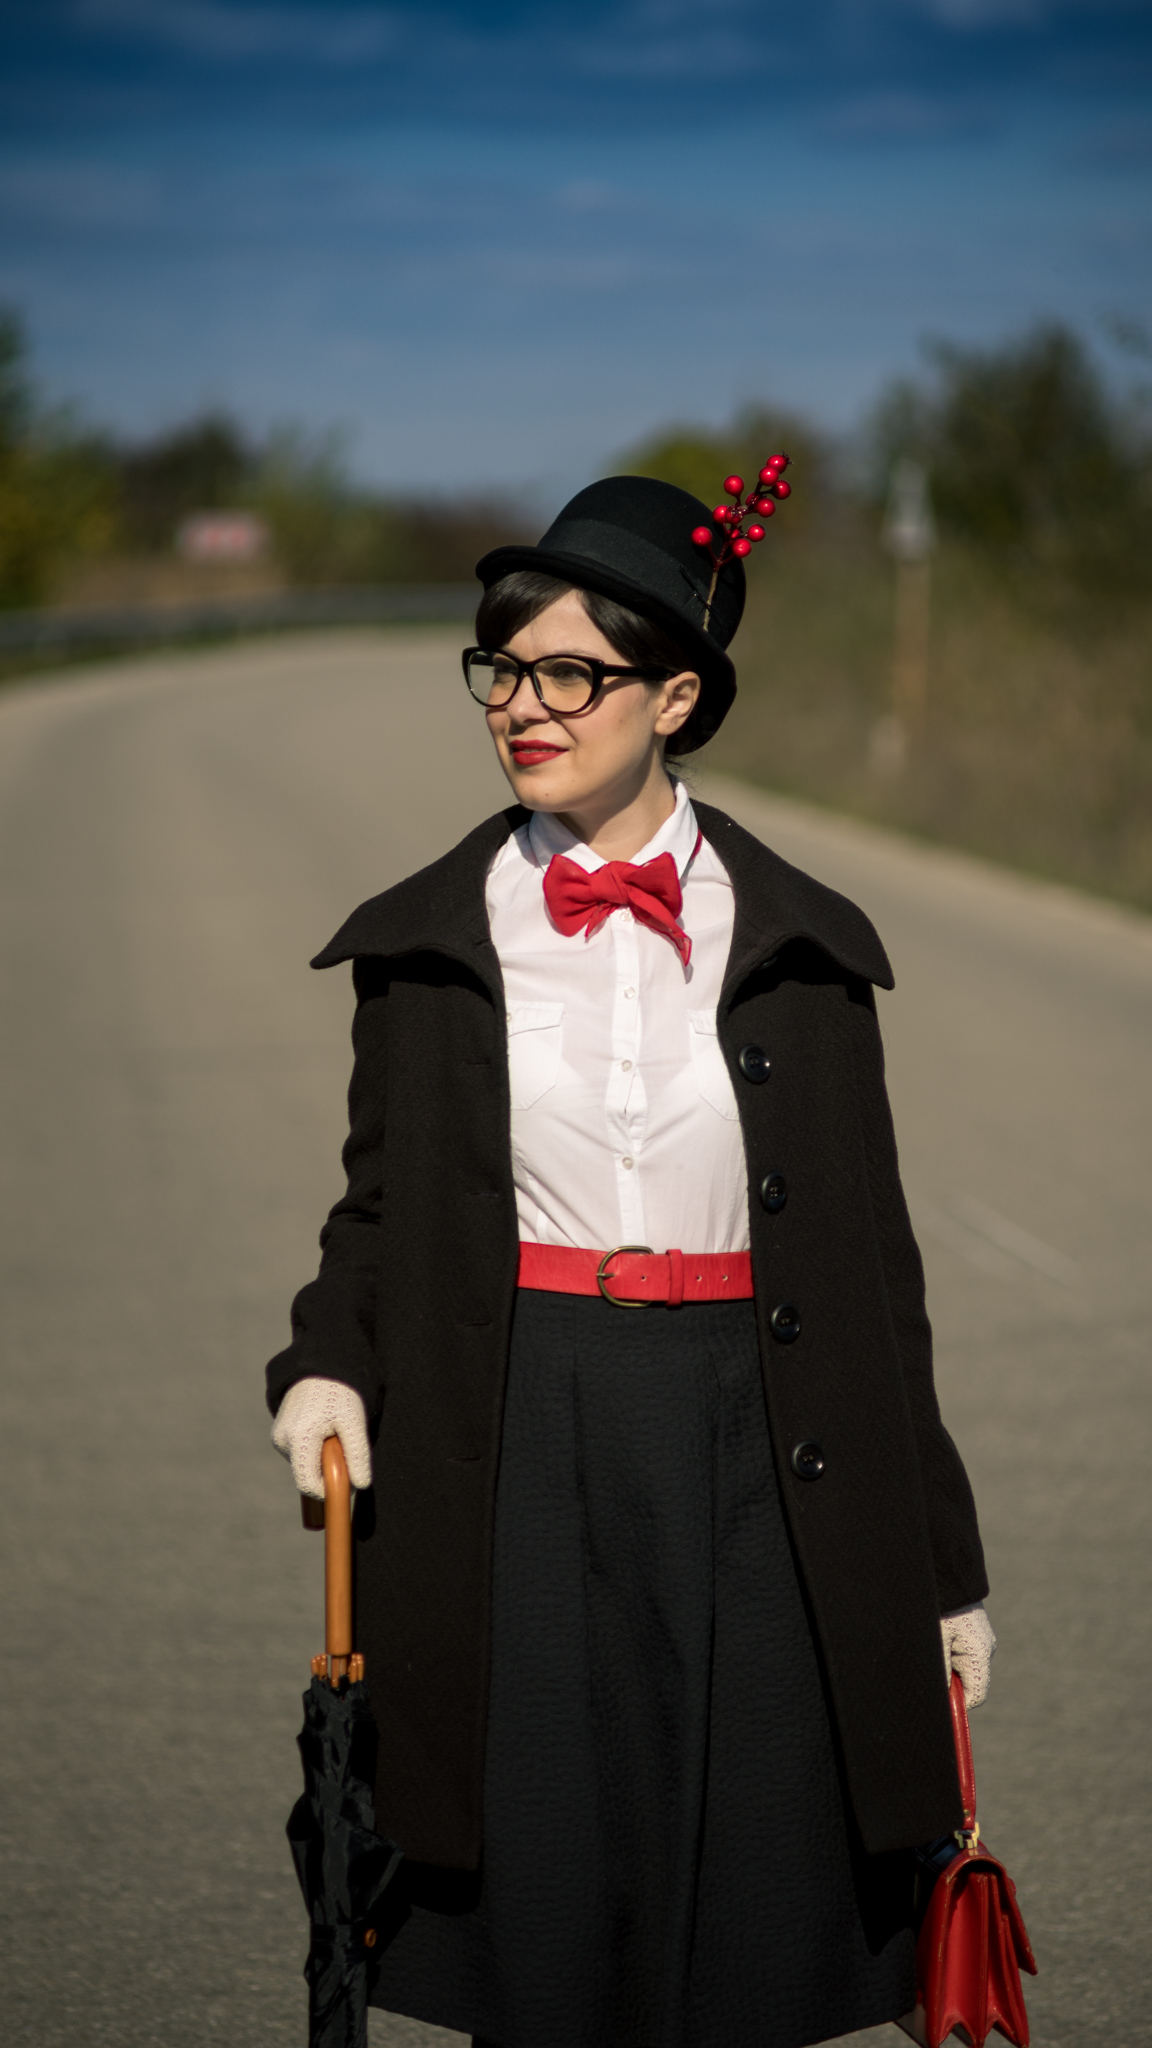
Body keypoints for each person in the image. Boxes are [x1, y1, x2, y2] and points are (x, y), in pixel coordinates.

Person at [267, 475, 995, 2048]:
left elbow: (877, 1276)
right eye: (502, 671)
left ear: (674, 697)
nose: (523, 709)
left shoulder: (803, 947)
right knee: (536, 1877)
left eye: (569, 675)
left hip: (754, 1437)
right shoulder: (427, 945)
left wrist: (941, 1567)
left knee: (747, 1880)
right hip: (519, 1420)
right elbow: (377, 1211)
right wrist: (325, 1357)